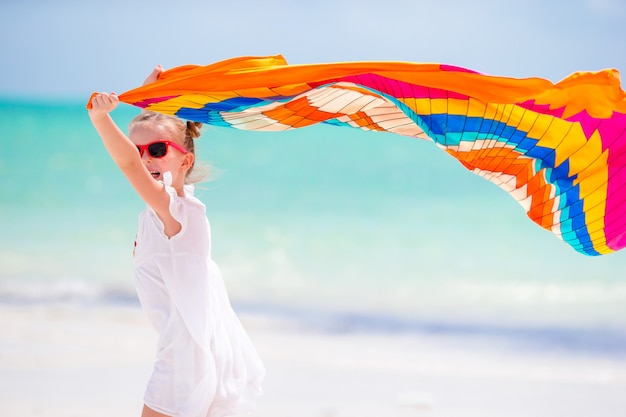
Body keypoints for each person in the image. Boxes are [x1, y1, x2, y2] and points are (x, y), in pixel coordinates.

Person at [88, 66, 265, 417]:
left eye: (157, 149)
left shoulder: (180, 214)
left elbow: (129, 165)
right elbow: (143, 152)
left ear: (186, 160)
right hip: (188, 350)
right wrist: (148, 100)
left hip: (186, 357)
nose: (145, 158)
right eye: (139, 150)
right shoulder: (162, 210)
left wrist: (100, 119)